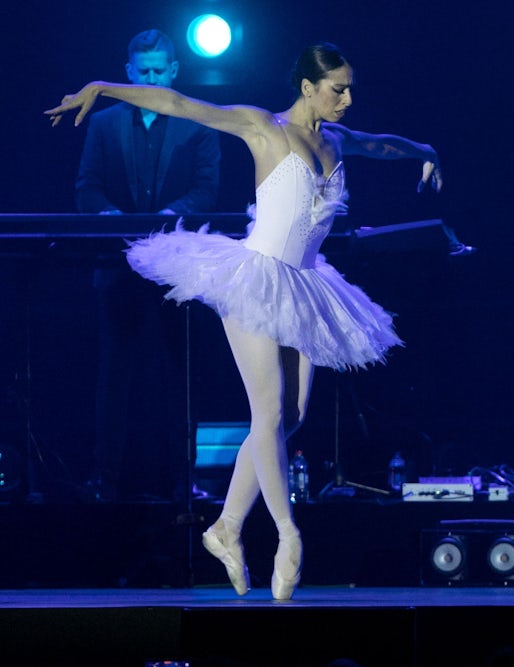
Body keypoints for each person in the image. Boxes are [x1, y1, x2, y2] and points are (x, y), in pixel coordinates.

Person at [46, 41, 443, 599]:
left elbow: (381, 144)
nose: (348, 98)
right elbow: (179, 103)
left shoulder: (335, 139)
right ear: (308, 87)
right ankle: (286, 533)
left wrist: (427, 150)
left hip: (306, 284)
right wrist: (99, 88)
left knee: (291, 416)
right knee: (266, 411)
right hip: (254, 279)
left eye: (350, 87)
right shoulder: (263, 127)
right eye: (338, 88)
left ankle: (226, 527)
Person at [76, 28, 221, 503]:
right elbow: (87, 186)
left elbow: (205, 190)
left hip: (177, 270)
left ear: (175, 71)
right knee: (112, 377)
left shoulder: (199, 123)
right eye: (145, 71)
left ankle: (185, 481)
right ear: (128, 73)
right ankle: (104, 479)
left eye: (161, 70)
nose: (153, 78)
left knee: (181, 379)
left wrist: (167, 217)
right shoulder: (103, 123)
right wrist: (108, 217)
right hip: (118, 267)